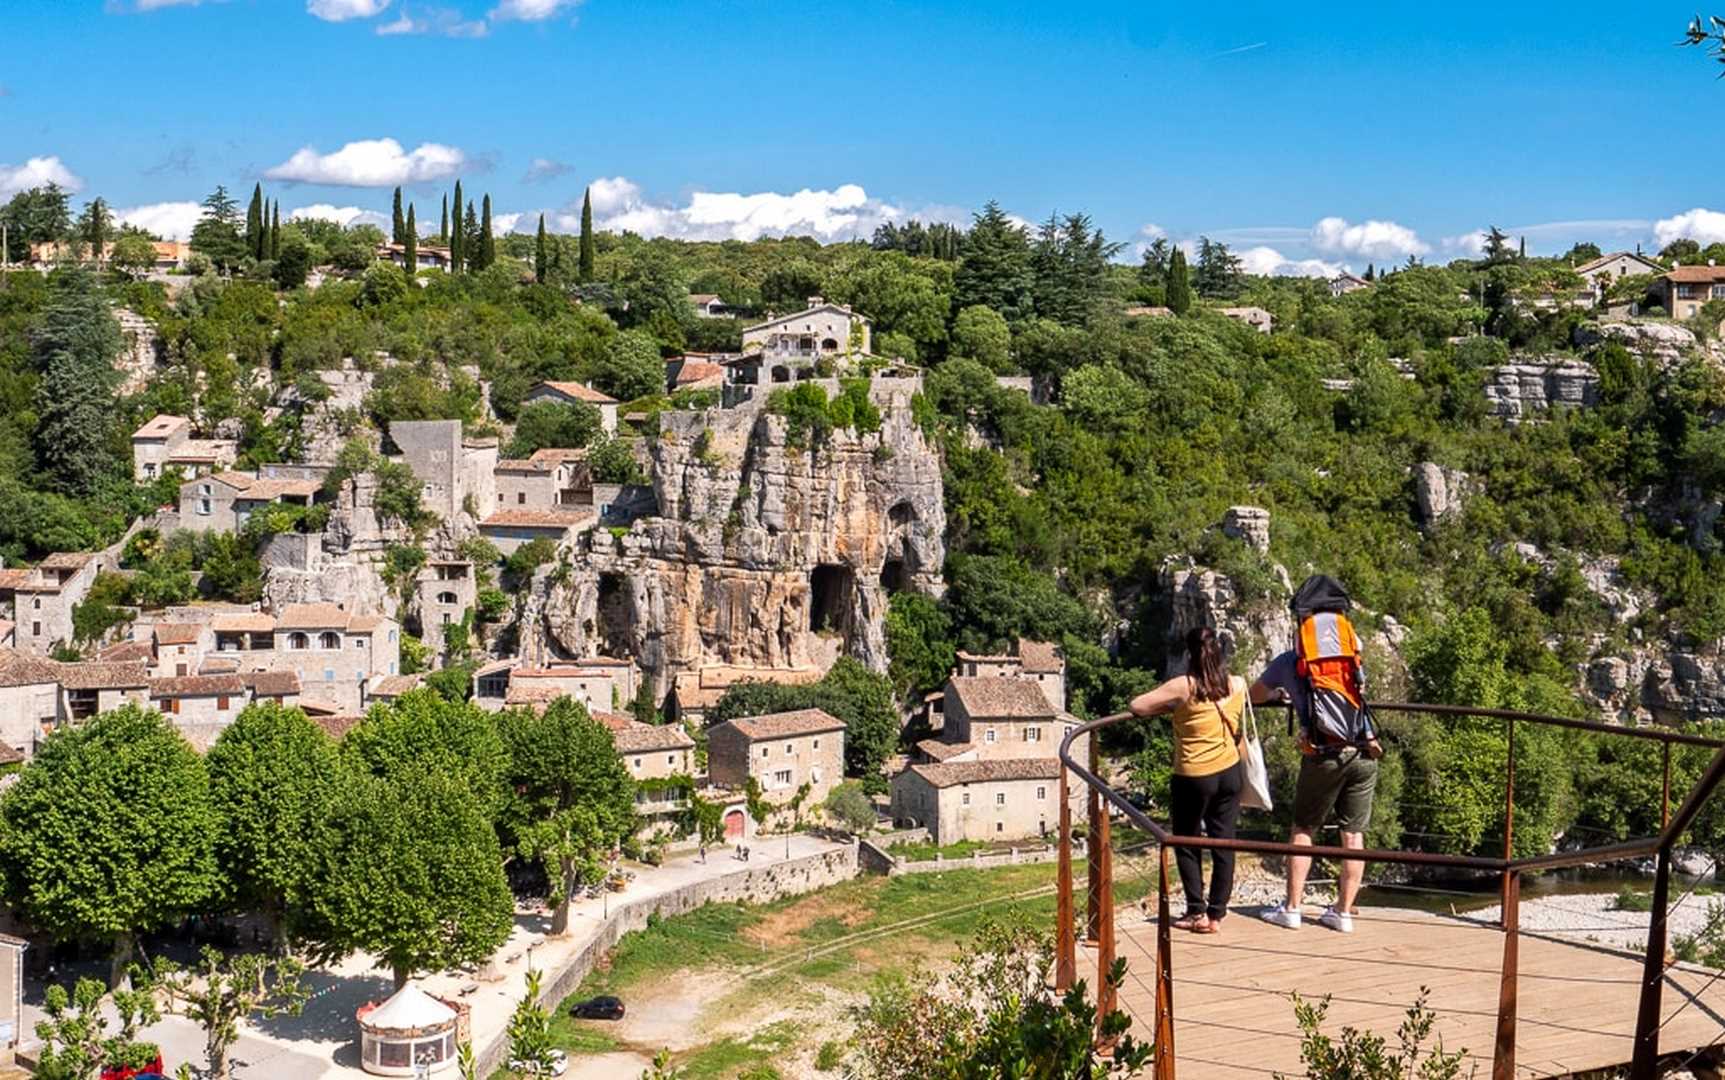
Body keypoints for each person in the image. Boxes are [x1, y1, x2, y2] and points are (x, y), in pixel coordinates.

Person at [1253, 574, 1382, 934]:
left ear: (1302, 621)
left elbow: (1254, 695)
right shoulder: (1351, 655)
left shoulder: (1290, 660)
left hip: (1324, 754)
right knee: (1353, 836)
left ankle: (1292, 909)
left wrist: (1281, 693)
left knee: (1303, 828)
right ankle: (1342, 912)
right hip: (1364, 751)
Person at [1128, 626, 1248, 934]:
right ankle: (1216, 915)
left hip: (1194, 775)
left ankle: (1196, 911)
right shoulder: (1237, 684)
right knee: (1224, 842)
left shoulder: (1183, 686)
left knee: (1186, 840)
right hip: (1230, 771)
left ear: (1189, 654)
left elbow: (1137, 706)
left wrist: (1171, 707)